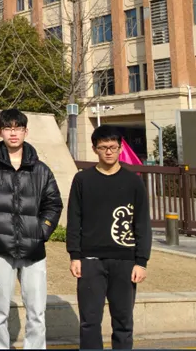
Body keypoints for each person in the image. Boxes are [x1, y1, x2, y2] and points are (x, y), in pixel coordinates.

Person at [0, 108, 63, 350]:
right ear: (0, 132)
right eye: (8, 128)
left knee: (37, 311)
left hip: (34, 249)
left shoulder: (41, 169)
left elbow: (54, 204)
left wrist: (42, 231)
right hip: (0, 248)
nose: (13, 133)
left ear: (26, 131)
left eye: (18, 128)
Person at [67, 125, 151, 350]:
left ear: (120, 148)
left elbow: (142, 223)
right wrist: (75, 255)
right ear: (95, 148)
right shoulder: (82, 179)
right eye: (103, 147)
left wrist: (141, 261)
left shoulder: (133, 181)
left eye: (113, 147)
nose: (109, 152)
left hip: (125, 260)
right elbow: (74, 218)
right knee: (89, 321)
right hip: (90, 261)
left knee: (123, 321)